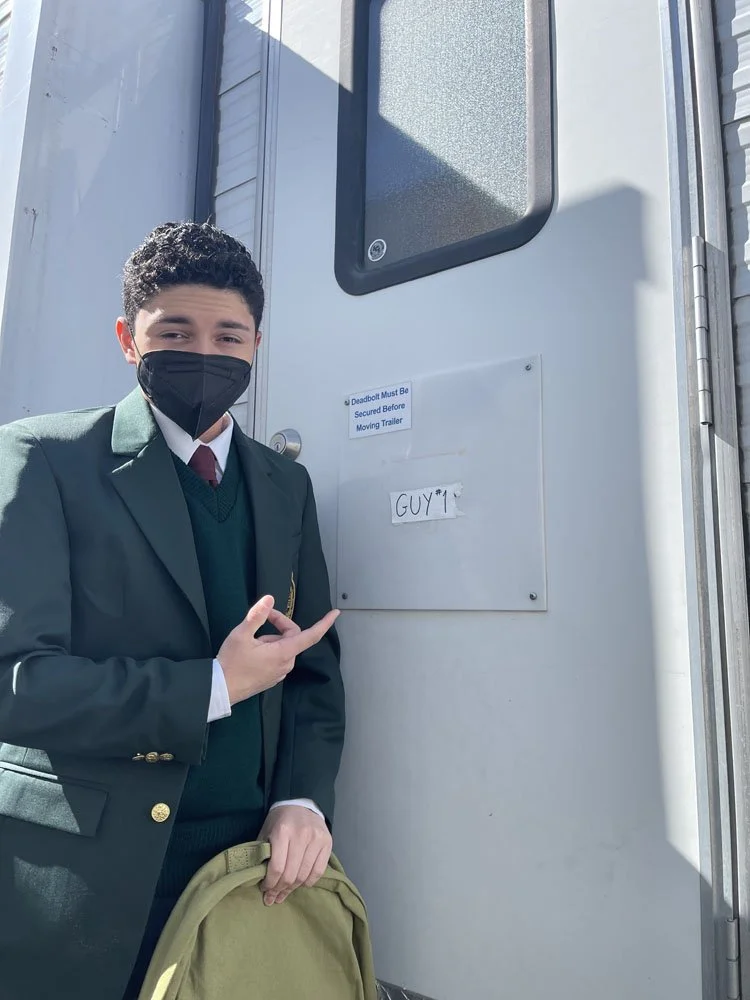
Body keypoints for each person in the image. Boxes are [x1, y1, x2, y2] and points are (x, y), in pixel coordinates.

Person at [0, 222, 345, 1000]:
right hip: (82, 879)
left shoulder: (286, 486)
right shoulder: (44, 457)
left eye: (229, 336)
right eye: (175, 333)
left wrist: (302, 798)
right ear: (129, 339)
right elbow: (15, 682)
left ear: (257, 345)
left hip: (245, 869)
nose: (205, 354)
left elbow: (313, 671)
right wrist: (212, 687)